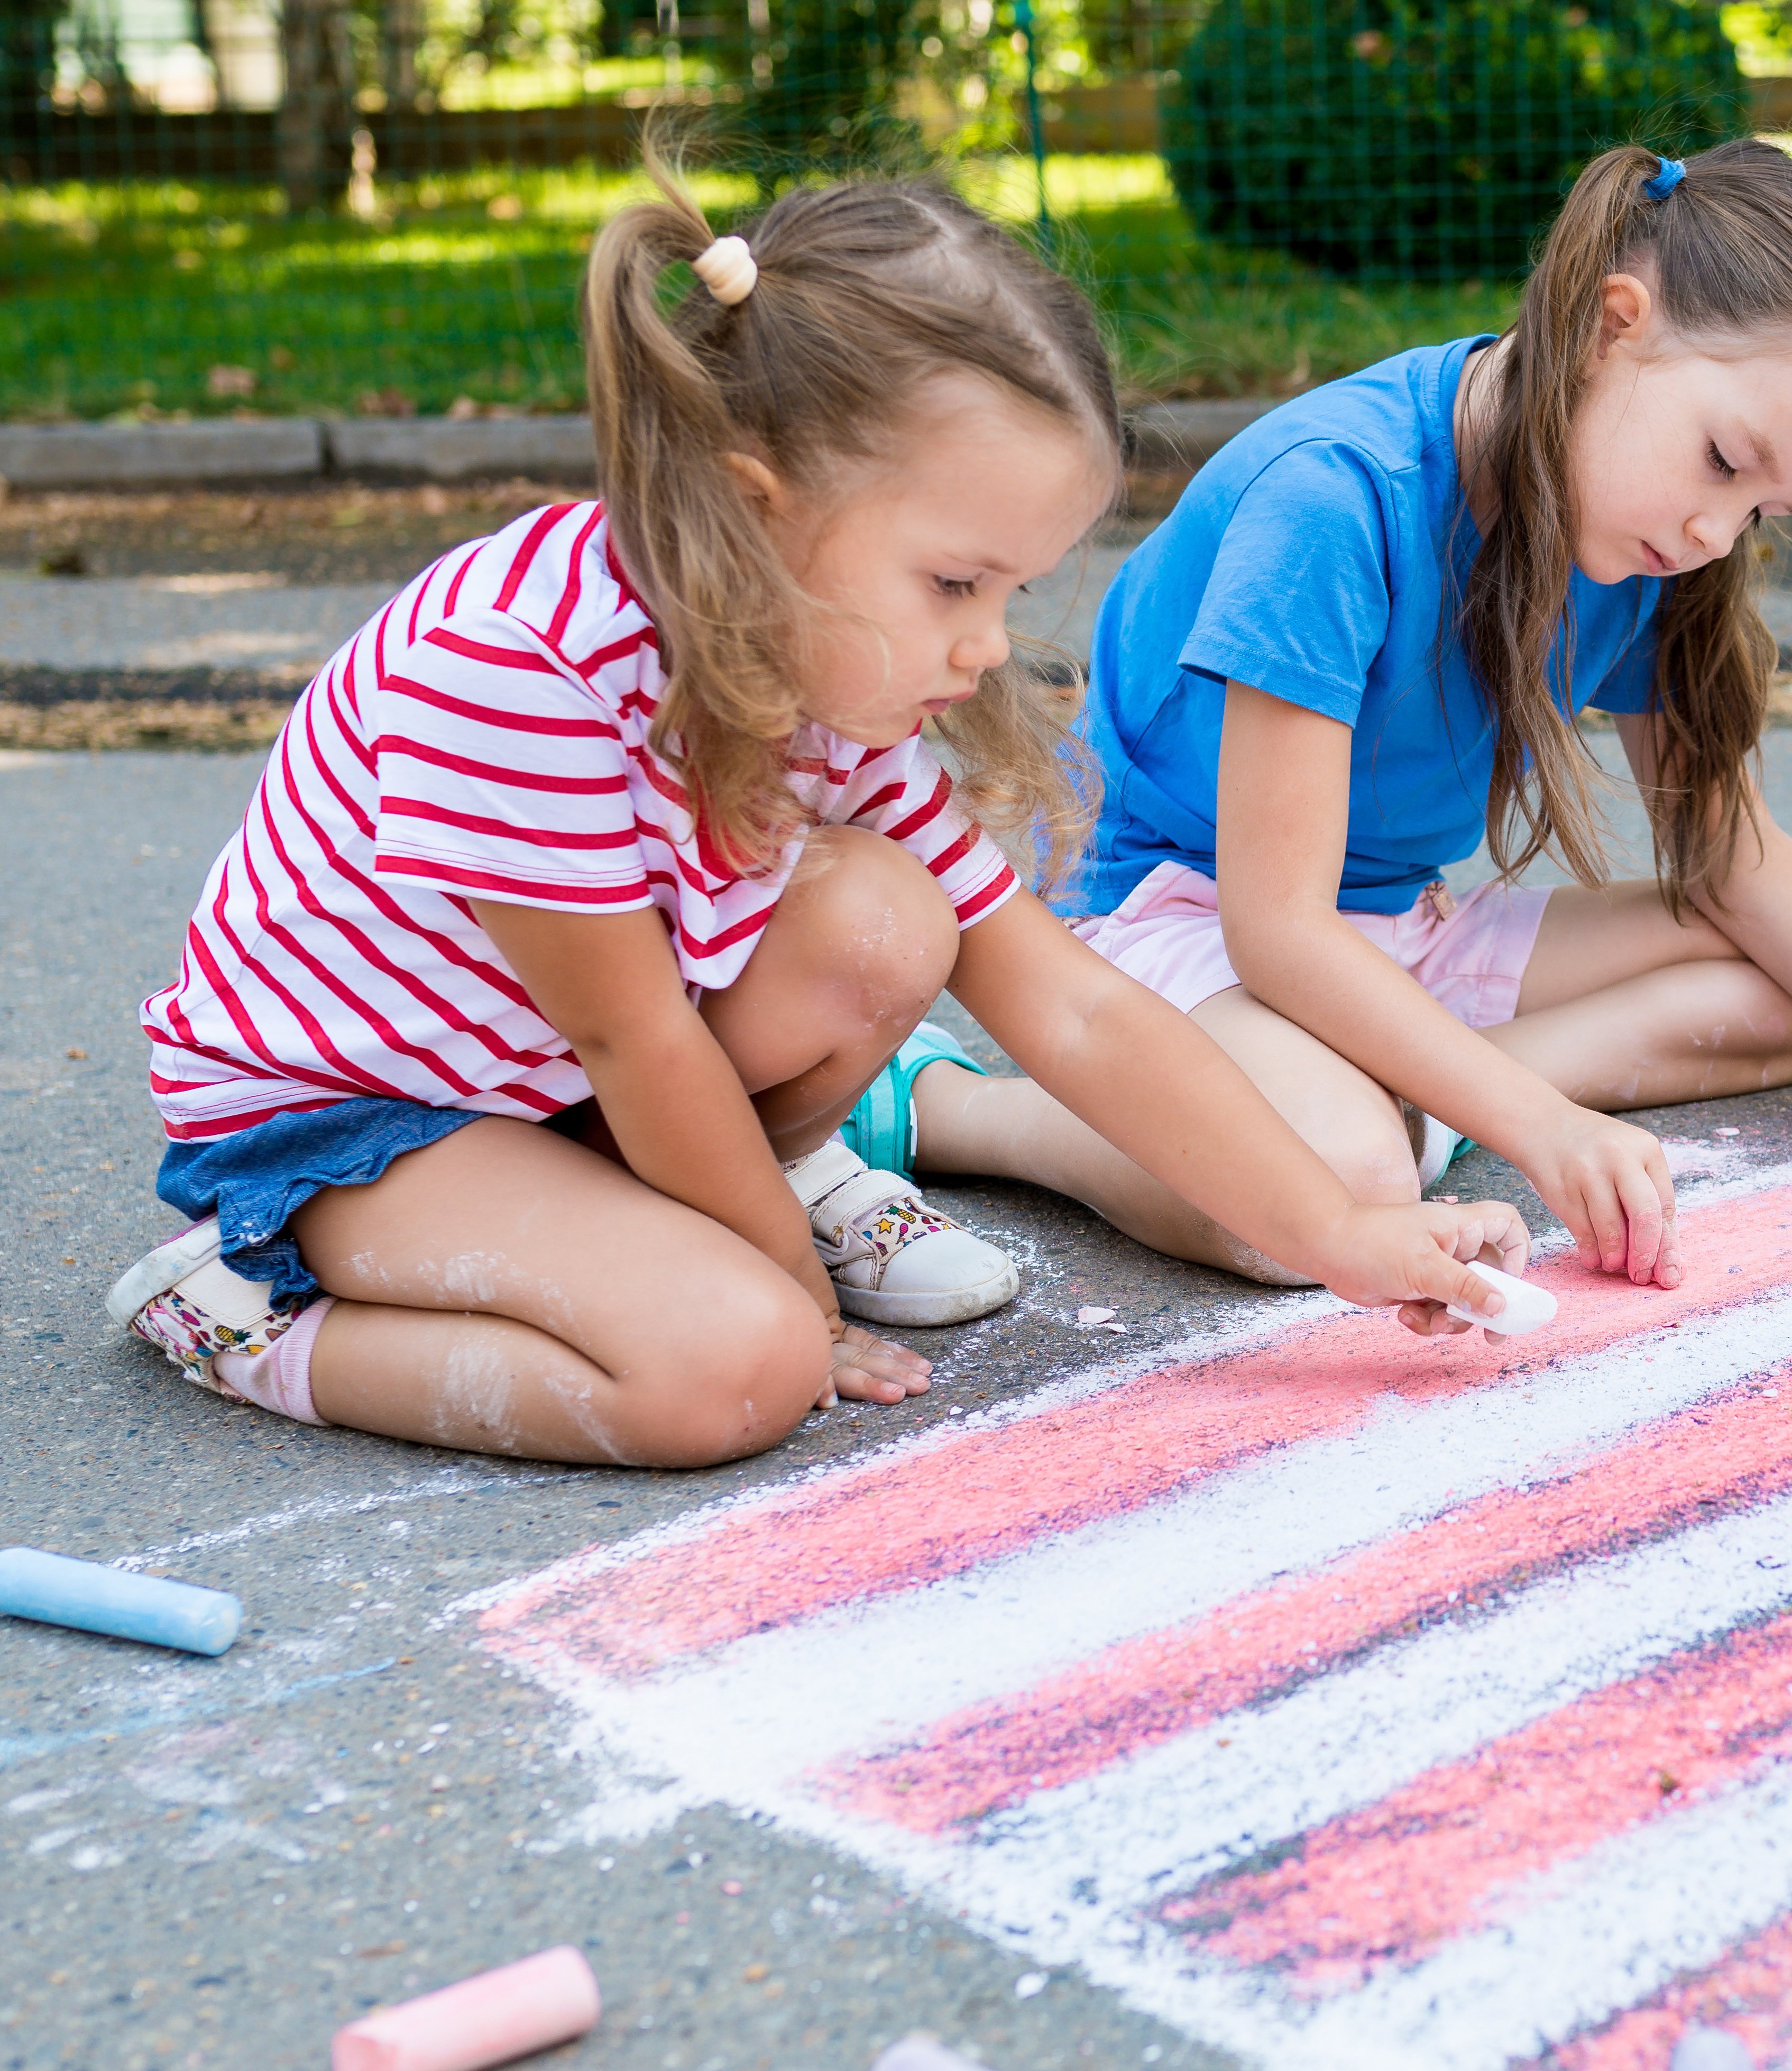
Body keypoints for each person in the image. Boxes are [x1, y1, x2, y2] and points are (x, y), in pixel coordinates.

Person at [110, 166, 1526, 1469]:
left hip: (547, 1084)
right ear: (756, 510)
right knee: (735, 1368)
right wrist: (783, 1284)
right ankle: (245, 1320)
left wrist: (1341, 1230)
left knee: (880, 916)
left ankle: (716, 1210)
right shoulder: (514, 673)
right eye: (956, 583)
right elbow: (636, 1035)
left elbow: (1073, 1008)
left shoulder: (813, 681)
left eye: (1011, 593)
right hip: (358, 1120)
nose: (988, 645)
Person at [883, 138, 1792, 1294]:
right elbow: (1278, 931)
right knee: (1344, 1178)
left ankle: (1425, 1085)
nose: (1721, 533)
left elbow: (1723, 845)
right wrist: (1542, 1126)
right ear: (1617, 323)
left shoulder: (1656, 549)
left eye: (1763, 507)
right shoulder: (1335, 496)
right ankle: (965, 1113)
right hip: (1177, 921)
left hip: (1396, 930)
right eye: (1723, 461)